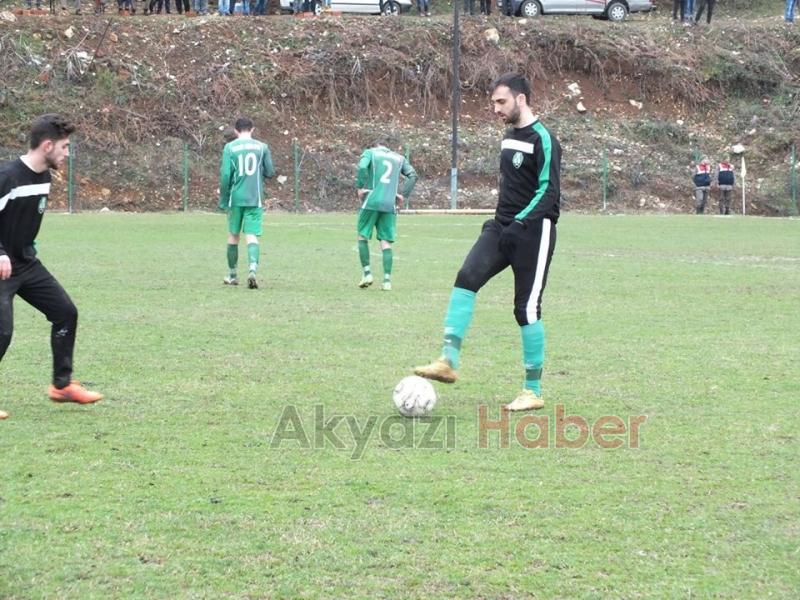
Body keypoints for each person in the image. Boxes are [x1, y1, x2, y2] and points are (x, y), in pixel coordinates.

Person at [414, 72, 561, 412]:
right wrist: (500, 222)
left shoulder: (544, 138)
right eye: (493, 102)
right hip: (501, 227)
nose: (495, 109)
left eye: (501, 101)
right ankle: (448, 360)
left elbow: (548, 191)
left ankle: (533, 390)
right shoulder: (509, 137)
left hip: (534, 231)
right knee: (467, 278)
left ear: (520, 99)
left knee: (525, 309)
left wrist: (522, 221)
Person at [0, 114, 104, 420]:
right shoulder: (7, 176)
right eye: (65, 146)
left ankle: (62, 385)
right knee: (2, 332)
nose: (67, 153)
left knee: (65, 313)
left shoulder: (44, 176)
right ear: (47, 146)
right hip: (1, 267)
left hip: (26, 265)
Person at [218, 117, 274, 289]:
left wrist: (223, 199)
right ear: (252, 129)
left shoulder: (230, 147)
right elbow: (270, 172)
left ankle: (232, 275)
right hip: (254, 197)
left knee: (234, 235)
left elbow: (226, 175)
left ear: (235, 130)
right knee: (251, 235)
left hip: (235, 198)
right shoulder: (262, 147)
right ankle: (252, 270)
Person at [355, 142, 417, 292]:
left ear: (375, 146)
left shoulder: (370, 153)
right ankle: (387, 281)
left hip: (371, 201)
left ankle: (367, 274)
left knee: (362, 236)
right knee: (386, 242)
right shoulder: (399, 158)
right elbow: (413, 175)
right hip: (389, 204)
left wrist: (360, 186)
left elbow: (362, 167)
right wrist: (403, 195)